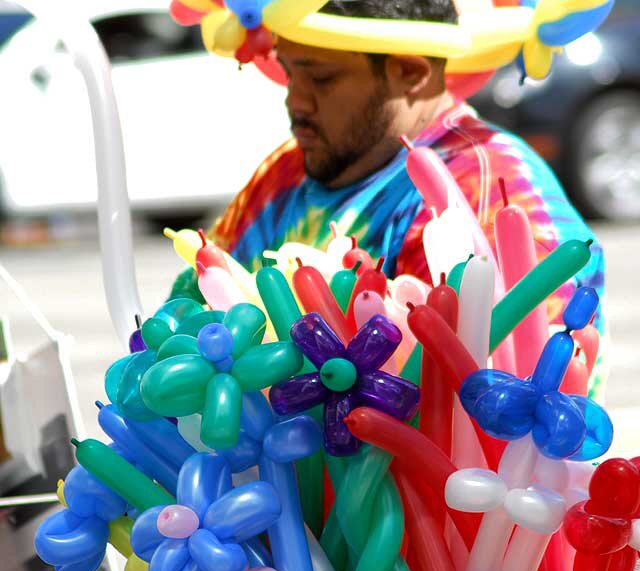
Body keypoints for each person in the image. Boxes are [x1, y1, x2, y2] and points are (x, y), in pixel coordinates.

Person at [197, 0, 605, 391]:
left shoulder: (487, 185)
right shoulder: (285, 169)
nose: (294, 100)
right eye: (288, 73)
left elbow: (491, 395)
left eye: (320, 78)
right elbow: (194, 296)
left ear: (412, 73)